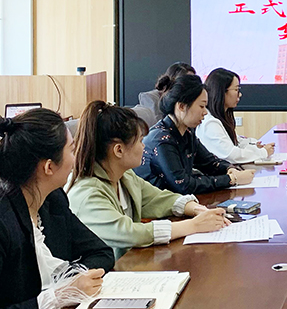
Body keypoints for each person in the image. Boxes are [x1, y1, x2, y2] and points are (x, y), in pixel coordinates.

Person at [67, 102, 230, 260]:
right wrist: (193, 226)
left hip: (127, 266)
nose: (144, 146)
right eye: (140, 141)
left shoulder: (125, 176)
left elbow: (159, 198)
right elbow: (129, 233)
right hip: (103, 274)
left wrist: (197, 209)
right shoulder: (87, 194)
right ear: (119, 150)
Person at [0, 109, 114, 309]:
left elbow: (101, 252)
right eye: (71, 149)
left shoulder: (53, 200)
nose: (76, 157)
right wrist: (58, 296)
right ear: (49, 167)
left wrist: (75, 280)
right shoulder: (4, 221)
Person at [136, 74, 254, 194]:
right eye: (202, 106)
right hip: (157, 203)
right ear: (181, 106)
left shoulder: (187, 132)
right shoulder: (162, 140)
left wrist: (230, 169)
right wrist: (231, 179)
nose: (205, 112)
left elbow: (210, 162)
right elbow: (184, 185)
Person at [196, 68, 275, 164]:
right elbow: (231, 155)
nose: (240, 94)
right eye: (236, 90)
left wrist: (254, 145)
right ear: (222, 92)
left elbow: (236, 141)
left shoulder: (220, 117)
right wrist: (263, 153)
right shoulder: (210, 123)